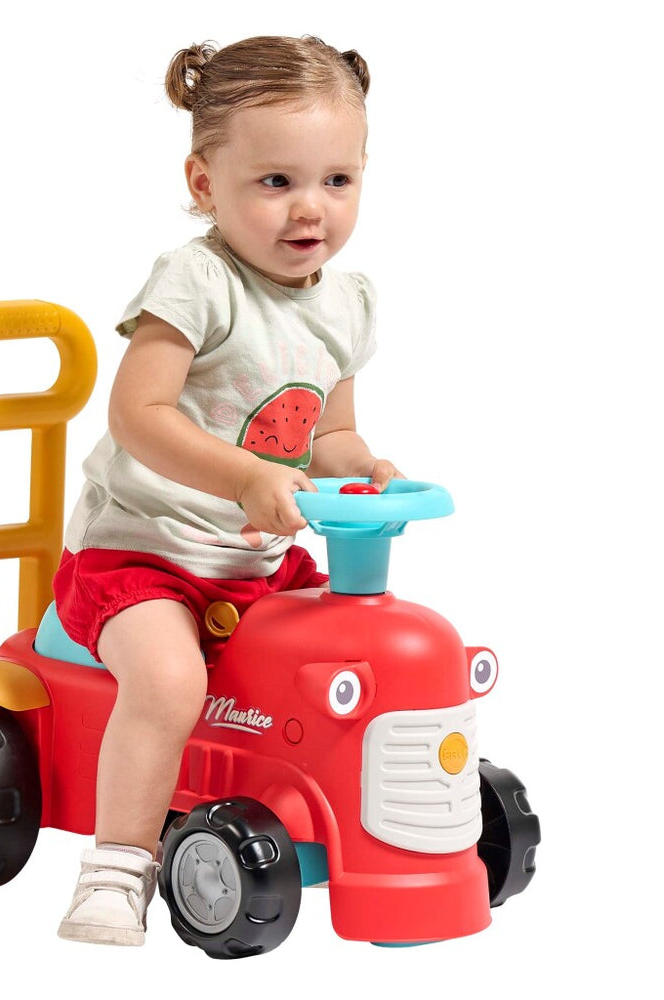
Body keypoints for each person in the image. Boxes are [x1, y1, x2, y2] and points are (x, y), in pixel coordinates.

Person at [55, 35, 401, 946]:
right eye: (276, 181)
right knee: (171, 681)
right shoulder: (198, 281)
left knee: (344, 658)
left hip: (253, 564)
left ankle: (359, 831)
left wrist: (366, 471)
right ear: (205, 184)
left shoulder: (347, 302)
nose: (310, 208)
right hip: (141, 556)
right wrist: (245, 475)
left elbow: (329, 436)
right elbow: (137, 413)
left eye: (337, 180)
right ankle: (117, 868)